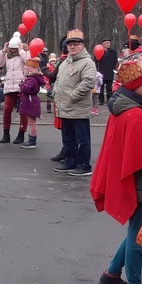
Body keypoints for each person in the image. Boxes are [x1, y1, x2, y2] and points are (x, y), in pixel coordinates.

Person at [90, 53, 142, 284]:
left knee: (137, 231)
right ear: (133, 85)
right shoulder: (135, 115)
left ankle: (112, 273)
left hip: (137, 182)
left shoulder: (126, 108)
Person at [52, 29, 97, 176]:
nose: (72, 47)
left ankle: (84, 165)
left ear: (82, 46)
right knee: (68, 138)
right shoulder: (65, 63)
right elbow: (58, 80)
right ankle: (70, 161)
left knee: (82, 139)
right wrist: (55, 93)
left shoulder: (87, 63)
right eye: (70, 44)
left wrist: (73, 96)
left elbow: (89, 82)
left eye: (76, 44)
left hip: (78, 108)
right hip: (64, 107)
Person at [0, 32, 29, 144]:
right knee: (7, 110)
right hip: (9, 86)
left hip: (21, 86)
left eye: (15, 48)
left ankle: (21, 133)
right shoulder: (7, 56)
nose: (13, 50)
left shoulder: (23, 54)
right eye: (12, 48)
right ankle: (6, 133)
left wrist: (21, 50)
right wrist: (3, 50)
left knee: (23, 112)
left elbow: (28, 62)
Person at [18, 57, 45, 149]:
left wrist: (21, 84)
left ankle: (32, 140)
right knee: (31, 122)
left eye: (25, 69)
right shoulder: (34, 79)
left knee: (32, 122)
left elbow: (26, 89)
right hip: (32, 102)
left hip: (31, 102)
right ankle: (32, 138)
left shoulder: (31, 79)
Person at [97, 39, 119, 105]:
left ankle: (109, 100)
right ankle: (101, 100)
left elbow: (116, 61)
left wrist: (116, 68)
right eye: (106, 43)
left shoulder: (113, 52)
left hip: (109, 72)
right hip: (101, 72)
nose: (108, 44)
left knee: (109, 87)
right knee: (101, 87)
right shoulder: (99, 51)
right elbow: (96, 60)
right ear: (103, 44)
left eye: (109, 43)